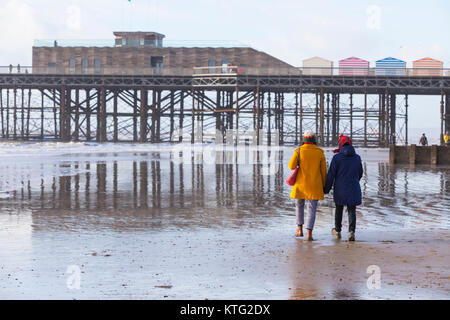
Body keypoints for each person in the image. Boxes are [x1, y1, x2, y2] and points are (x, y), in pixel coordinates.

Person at [288, 130, 327, 241]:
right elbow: (324, 171)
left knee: (299, 206)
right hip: (314, 185)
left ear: (304, 139)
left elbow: (291, 166)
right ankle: (309, 233)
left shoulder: (298, 151)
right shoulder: (319, 152)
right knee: (312, 208)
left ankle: (299, 230)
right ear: (314, 139)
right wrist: (324, 185)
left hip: (300, 185)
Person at [324, 135, 363, 241]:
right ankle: (351, 232)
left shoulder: (337, 158)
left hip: (340, 188)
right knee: (352, 209)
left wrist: (326, 189)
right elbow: (360, 173)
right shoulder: (357, 157)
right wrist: (354, 181)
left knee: (339, 208)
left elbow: (331, 175)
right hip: (353, 186)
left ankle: (337, 230)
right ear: (350, 144)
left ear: (340, 144)